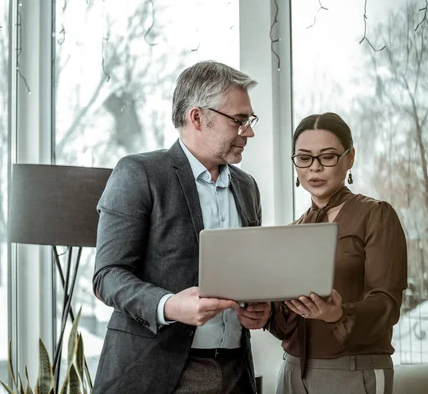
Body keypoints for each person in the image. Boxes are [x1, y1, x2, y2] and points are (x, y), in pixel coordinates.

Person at [92, 61, 271, 394]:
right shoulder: (138, 174)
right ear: (197, 117)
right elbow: (108, 276)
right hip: (157, 371)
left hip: (236, 371)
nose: (248, 132)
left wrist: (259, 309)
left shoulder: (247, 188)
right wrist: (170, 305)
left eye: (249, 120)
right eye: (239, 120)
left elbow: (250, 274)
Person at [267, 112, 408, 394]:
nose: (314, 168)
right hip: (292, 371)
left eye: (328, 156)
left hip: (354, 370)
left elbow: (387, 302)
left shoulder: (375, 215)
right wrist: (264, 313)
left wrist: (338, 314)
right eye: (304, 158)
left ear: (350, 157)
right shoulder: (292, 230)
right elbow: (285, 321)